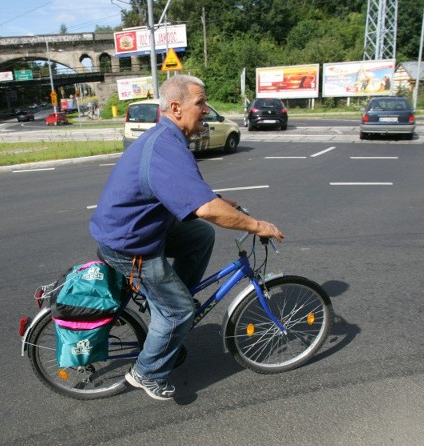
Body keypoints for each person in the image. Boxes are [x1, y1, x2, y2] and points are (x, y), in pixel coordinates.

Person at [89, 74, 284, 401]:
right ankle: (146, 372)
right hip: (131, 244)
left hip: (142, 229)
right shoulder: (165, 145)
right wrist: (257, 225)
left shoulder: (168, 138)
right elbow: (206, 208)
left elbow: (189, 192)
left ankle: (168, 302)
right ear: (176, 107)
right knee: (180, 311)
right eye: (201, 102)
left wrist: (222, 200)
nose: (207, 109)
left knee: (198, 235)